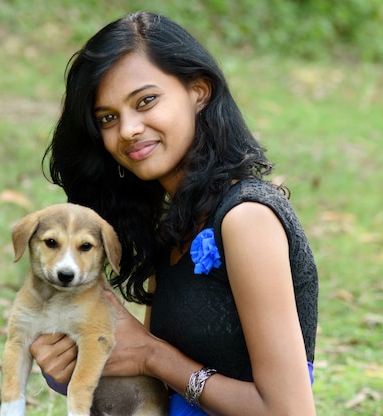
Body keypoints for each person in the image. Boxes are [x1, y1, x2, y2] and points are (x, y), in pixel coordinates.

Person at [31, 11, 318, 416]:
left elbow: (288, 410)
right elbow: (162, 391)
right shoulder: (174, 226)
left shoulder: (247, 218)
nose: (128, 129)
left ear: (198, 91)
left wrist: (150, 355)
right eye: (108, 118)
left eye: (146, 101)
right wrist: (81, 360)